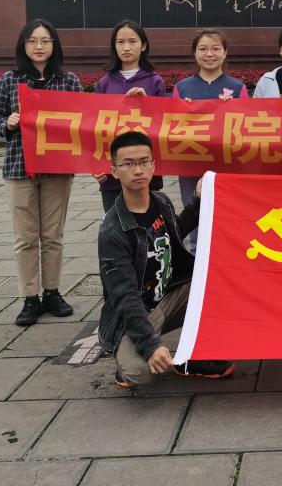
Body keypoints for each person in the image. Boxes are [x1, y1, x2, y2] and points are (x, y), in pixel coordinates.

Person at [98, 130, 235, 390]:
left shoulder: (160, 201)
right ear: (114, 171)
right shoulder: (112, 231)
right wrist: (150, 345)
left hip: (169, 294)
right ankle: (128, 356)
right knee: (140, 373)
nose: (138, 170)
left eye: (143, 162)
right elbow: (125, 296)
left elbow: (173, 233)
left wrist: (198, 200)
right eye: (128, 164)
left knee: (224, 282)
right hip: (136, 312)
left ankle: (193, 357)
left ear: (153, 166)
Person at [0, 19, 82, 326]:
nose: (39, 46)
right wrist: (7, 123)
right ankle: (30, 297)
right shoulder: (9, 80)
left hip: (57, 169)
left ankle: (52, 292)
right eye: (32, 41)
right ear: (23, 45)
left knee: (53, 235)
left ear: (54, 45)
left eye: (45, 41)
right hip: (19, 167)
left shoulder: (68, 81)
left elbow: (82, 121)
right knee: (25, 237)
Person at [93, 20, 168, 213]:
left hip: (145, 173)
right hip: (113, 175)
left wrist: (148, 103)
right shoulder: (104, 83)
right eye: (120, 42)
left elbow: (166, 123)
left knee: (149, 223)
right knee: (116, 224)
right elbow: (92, 127)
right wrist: (95, 165)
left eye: (132, 41)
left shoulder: (155, 81)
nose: (126, 47)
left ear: (143, 45)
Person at [172, 30, 248, 210]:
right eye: (203, 49)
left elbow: (247, 128)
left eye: (215, 48)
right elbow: (170, 127)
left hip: (227, 163)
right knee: (193, 215)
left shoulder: (238, 88)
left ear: (225, 52)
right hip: (191, 164)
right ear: (194, 53)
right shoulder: (181, 88)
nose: (209, 54)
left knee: (227, 213)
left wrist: (234, 109)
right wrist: (182, 112)